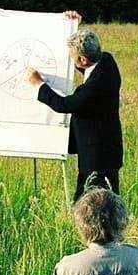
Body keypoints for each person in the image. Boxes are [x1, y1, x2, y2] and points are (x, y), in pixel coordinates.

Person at [25, 11, 123, 201]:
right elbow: (84, 66)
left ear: (83, 59)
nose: (71, 59)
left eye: (73, 56)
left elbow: (63, 104)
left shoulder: (92, 90)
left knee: (90, 204)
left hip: (96, 156)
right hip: (108, 151)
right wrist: (72, 26)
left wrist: (38, 84)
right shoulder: (107, 61)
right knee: (108, 203)